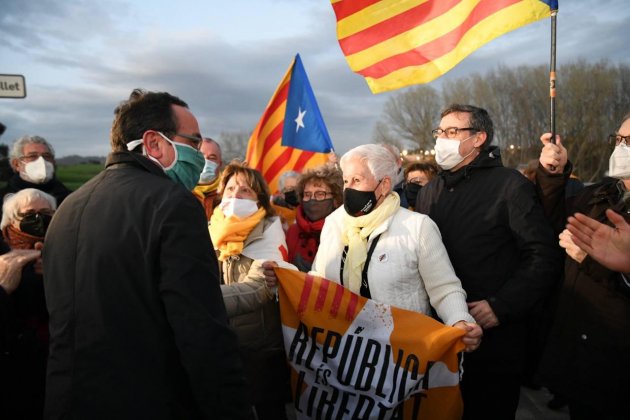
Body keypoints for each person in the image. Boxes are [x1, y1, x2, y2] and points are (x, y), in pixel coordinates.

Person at [42, 89, 249, 419]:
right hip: (147, 402)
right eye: (194, 143)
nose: (201, 156)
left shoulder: (70, 206)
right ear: (154, 143)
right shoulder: (173, 205)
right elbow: (202, 332)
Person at [415, 104, 560, 419]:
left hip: (494, 339)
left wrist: (501, 305)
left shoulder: (510, 185)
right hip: (440, 331)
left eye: (452, 132)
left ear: (479, 137)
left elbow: (542, 256)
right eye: (439, 132)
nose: (442, 139)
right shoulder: (430, 191)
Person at [265, 144, 482, 351]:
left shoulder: (418, 227)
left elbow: (444, 288)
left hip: (402, 354)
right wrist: (285, 277)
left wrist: (459, 321)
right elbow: (320, 282)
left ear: (384, 185)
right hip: (343, 351)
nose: (348, 188)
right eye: (346, 181)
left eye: (357, 180)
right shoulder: (334, 222)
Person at [536, 113, 630, 419]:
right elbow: (549, 223)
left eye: (629, 141)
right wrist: (554, 173)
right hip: (581, 354)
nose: (621, 147)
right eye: (618, 139)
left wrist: (598, 263)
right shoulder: (599, 194)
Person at [209, 161, 294, 420]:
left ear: (259, 197)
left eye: (245, 190)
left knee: (269, 411)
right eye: (231, 188)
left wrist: (202, 301)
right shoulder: (212, 228)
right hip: (223, 344)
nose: (235, 195)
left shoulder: (269, 229)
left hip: (261, 346)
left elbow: (259, 289)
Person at [0, 188, 56, 420]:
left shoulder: (68, 247)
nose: (39, 219)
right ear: (11, 221)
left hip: (53, 356)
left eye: (46, 212)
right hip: (12, 366)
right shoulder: (3, 257)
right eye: (29, 214)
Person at [286, 164, 343, 272]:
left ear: (336, 200)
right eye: (307, 194)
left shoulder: (344, 231)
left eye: (320, 194)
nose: (312, 200)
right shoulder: (292, 231)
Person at [0, 136, 72, 207]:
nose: (42, 161)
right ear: (16, 164)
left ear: (53, 161)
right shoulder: (3, 199)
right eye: (32, 156)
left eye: (46, 156)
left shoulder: (69, 198)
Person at [192, 137, 223, 219]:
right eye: (201, 156)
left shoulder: (228, 193)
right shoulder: (180, 190)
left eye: (212, 158)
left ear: (220, 164)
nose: (206, 162)